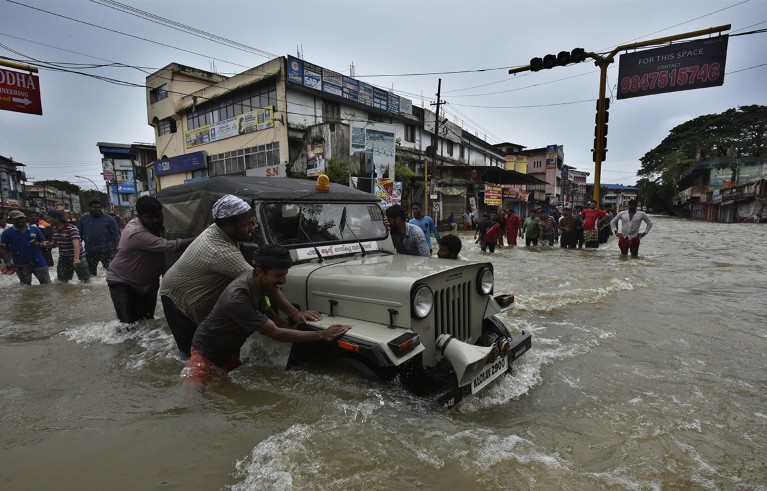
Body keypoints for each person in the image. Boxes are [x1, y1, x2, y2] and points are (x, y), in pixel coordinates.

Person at [160, 194, 320, 356]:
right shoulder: (219, 250)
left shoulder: (221, 230)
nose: (251, 227)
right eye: (247, 224)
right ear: (229, 225)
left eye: (252, 222)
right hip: (177, 297)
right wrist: (294, 314)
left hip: (192, 285)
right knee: (194, 354)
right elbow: (262, 284)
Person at [182, 245, 351, 395]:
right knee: (192, 399)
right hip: (206, 354)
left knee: (225, 390)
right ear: (259, 271)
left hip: (230, 350)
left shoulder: (258, 282)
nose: (283, 281)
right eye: (279, 275)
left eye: (285, 275)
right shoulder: (237, 298)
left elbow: (269, 299)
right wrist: (322, 335)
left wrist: (294, 315)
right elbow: (275, 334)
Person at [106, 196, 195, 324]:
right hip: (122, 282)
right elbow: (170, 246)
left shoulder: (156, 227)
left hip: (147, 284)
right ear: (140, 216)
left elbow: (160, 256)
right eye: (150, 217)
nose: (156, 220)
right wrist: (203, 235)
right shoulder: (136, 232)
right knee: (128, 326)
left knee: (147, 323)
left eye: (158, 216)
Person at [0, 210, 51, 285]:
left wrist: (37, 243)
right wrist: (7, 261)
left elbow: (45, 243)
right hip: (21, 265)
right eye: (17, 219)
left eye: (21, 218)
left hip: (39, 263)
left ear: (25, 218)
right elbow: (3, 248)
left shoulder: (35, 229)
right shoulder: (7, 233)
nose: (20, 220)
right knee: (25, 288)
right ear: (11, 220)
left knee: (47, 285)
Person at [78, 200, 121, 276]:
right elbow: (78, 236)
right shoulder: (84, 219)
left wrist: (118, 247)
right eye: (95, 207)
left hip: (107, 250)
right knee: (91, 274)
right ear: (90, 208)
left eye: (99, 207)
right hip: (90, 251)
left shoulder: (109, 219)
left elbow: (116, 234)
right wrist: (78, 250)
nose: (97, 209)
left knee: (112, 271)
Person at [48, 210, 90, 283]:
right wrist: (45, 244)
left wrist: (76, 259)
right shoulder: (54, 229)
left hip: (78, 257)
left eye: (50, 218)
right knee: (62, 282)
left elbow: (76, 245)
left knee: (86, 281)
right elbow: (55, 244)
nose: (48, 220)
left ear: (57, 218)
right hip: (63, 258)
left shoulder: (72, 228)